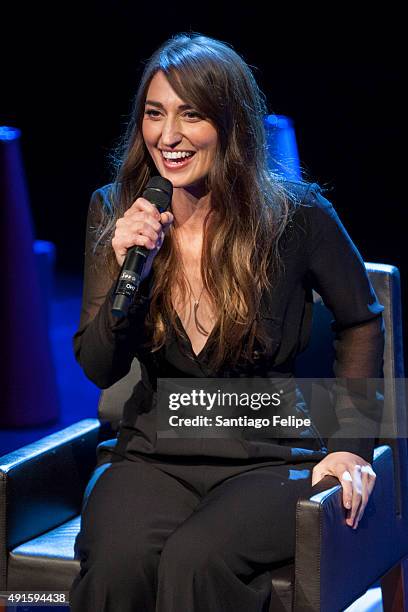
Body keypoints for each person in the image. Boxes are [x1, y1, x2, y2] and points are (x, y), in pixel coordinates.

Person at [69, 32, 383, 612]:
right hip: (152, 454)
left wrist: (352, 445)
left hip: (268, 456)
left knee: (197, 560)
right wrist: (123, 273)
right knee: (117, 563)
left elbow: (362, 321)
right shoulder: (117, 212)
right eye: (155, 114)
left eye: (192, 115)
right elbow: (97, 367)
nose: (168, 136)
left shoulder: (297, 216)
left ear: (231, 123)